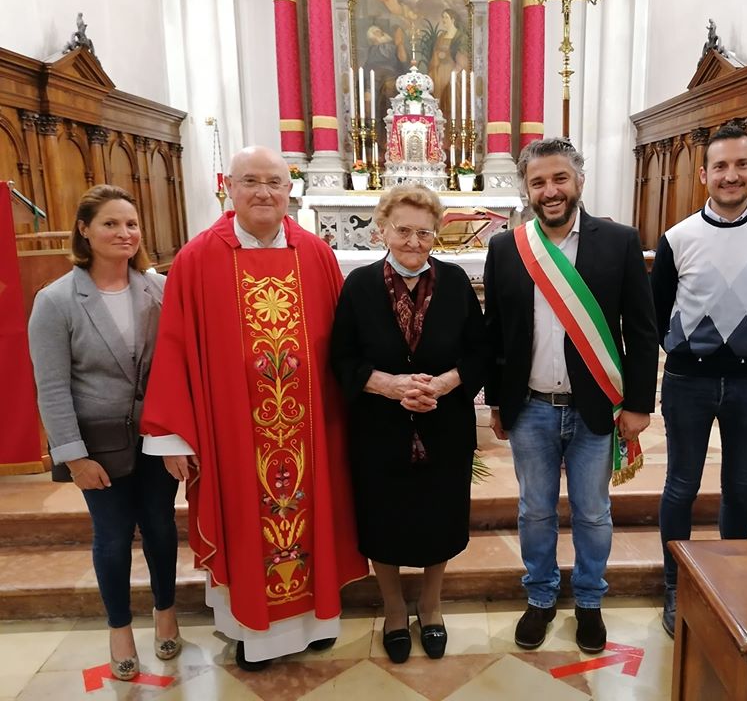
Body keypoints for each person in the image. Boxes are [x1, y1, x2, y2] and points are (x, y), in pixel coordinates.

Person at [140, 146, 368, 672]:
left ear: (291, 191)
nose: (263, 192)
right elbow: (174, 346)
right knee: (245, 519)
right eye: (250, 181)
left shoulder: (315, 254)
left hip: (311, 428)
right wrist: (175, 436)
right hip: (234, 433)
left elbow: (343, 346)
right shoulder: (198, 258)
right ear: (229, 187)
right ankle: (252, 632)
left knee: (313, 519)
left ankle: (317, 623)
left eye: (274, 182)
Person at [484, 138, 659, 654]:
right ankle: (540, 598)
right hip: (531, 406)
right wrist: (497, 402)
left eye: (559, 178)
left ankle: (588, 601)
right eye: (538, 182)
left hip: (596, 408)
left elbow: (643, 330)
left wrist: (640, 404)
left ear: (579, 180)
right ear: (527, 190)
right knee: (535, 511)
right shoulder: (507, 247)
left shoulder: (619, 241)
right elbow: (497, 331)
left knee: (593, 512)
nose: (550, 190)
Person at [650, 124, 747, 638]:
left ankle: (730, 580)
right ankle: (676, 585)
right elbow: (656, 309)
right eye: (720, 167)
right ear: (704, 174)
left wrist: (744, 348)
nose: (730, 176)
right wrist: (690, 349)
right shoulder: (678, 237)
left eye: (741, 165)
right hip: (688, 383)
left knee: (741, 485)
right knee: (682, 485)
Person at [28, 185, 179, 681]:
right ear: (85, 230)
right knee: (112, 538)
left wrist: (178, 437)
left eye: (131, 224)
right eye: (111, 224)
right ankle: (119, 628)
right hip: (99, 444)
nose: (124, 233)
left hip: (156, 438)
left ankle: (165, 612)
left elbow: (175, 370)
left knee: (160, 528)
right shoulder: (56, 300)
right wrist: (73, 457)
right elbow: (51, 388)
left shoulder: (157, 289)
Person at [330, 185, 486, 663]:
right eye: (403, 230)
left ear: (436, 234)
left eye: (424, 232)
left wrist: (440, 386)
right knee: (384, 517)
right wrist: (389, 385)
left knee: (440, 513)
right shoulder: (358, 286)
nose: (414, 242)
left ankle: (432, 606)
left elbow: (480, 353)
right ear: (382, 229)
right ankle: (395, 609)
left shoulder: (457, 282)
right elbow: (341, 358)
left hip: (446, 423)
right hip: (379, 427)